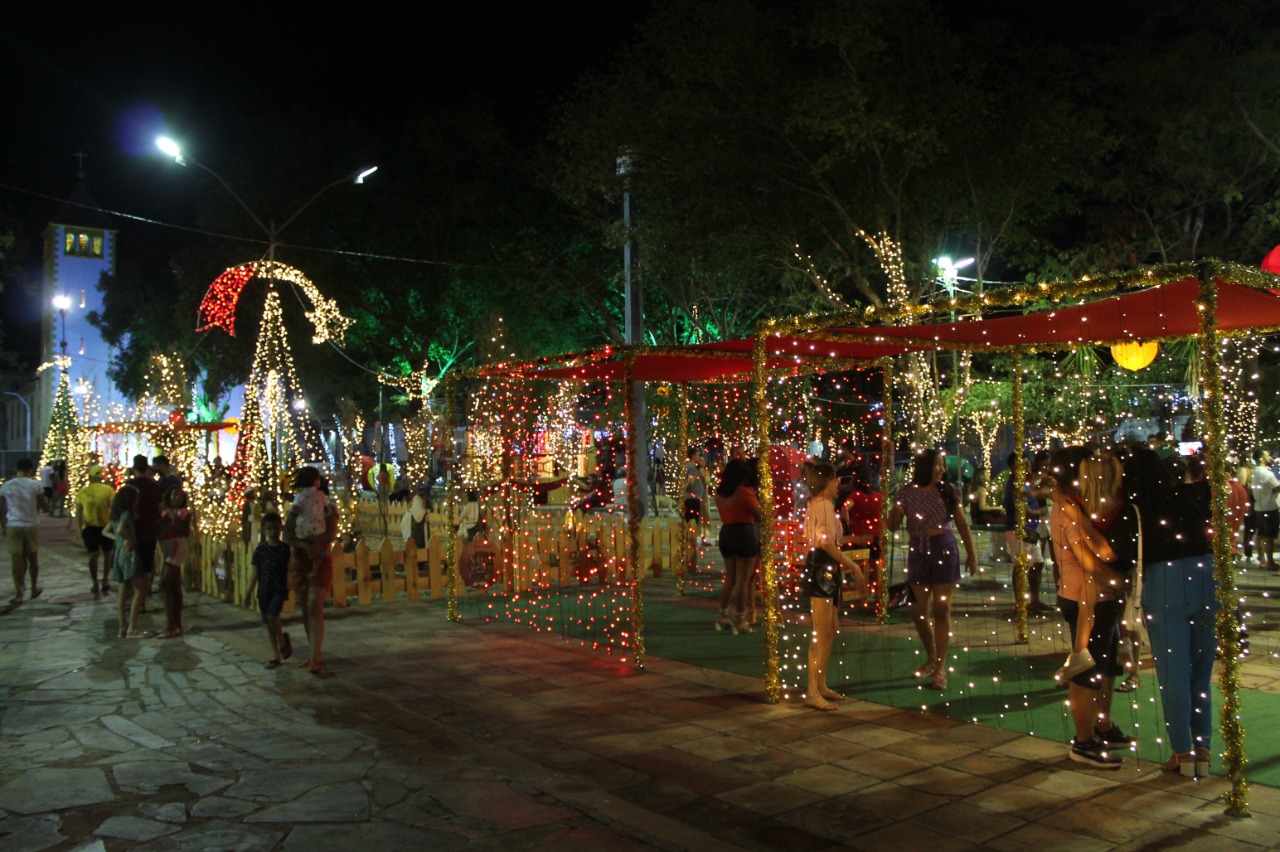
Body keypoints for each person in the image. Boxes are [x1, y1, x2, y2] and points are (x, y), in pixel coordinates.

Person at [1123, 445, 1217, 777]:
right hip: (1207, 574)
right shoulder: (1192, 496)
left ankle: (1183, 751)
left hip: (1164, 580)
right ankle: (1202, 748)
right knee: (1200, 670)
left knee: (1173, 673)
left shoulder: (1137, 508)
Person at [887, 449, 977, 691]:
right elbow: (892, 526)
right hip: (917, 550)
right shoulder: (906, 492)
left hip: (944, 549)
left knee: (942, 609)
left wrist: (972, 555)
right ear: (925, 467)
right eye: (937, 464)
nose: (941, 469)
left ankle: (940, 667)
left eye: (942, 465)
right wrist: (891, 511)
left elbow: (962, 524)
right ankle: (931, 656)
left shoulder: (949, 491)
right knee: (917, 611)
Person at [801, 460, 866, 711]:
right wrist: (853, 565)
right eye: (835, 479)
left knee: (829, 629)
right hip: (822, 566)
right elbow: (827, 543)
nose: (838, 483)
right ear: (826, 482)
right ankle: (812, 691)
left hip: (824, 566)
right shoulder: (823, 505)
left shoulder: (819, 504)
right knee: (821, 631)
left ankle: (820, 684)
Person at [284, 467, 339, 675]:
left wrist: (307, 541)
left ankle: (315, 655)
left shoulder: (328, 508)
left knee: (314, 606)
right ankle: (314, 652)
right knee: (306, 609)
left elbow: (330, 534)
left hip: (320, 562)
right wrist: (308, 546)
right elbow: (287, 535)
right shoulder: (297, 506)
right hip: (301, 560)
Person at [714, 459, 761, 634]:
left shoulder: (719, 493)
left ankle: (722, 616)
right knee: (743, 580)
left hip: (726, 533)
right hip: (744, 534)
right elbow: (759, 515)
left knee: (730, 579)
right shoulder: (745, 493)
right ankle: (740, 620)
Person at [1003, 452, 1048, 613]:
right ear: (1013, 467)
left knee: (1037, 563)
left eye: (1029, 463)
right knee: (1021, 566)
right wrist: (1041, 512)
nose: (1028, 467)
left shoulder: (1024, 482)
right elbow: (1023, 510)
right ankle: (1020, 603)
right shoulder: (1015, 485)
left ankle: (1034, 600)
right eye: (1024, 464)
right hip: (1018, 530)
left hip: (1030, 530)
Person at [247, 511, 293, 669]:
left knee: (273, 615)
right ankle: (275, 655)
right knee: (268, 624)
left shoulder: (285, 549)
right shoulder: (260, 550)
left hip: (279, 589)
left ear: (281, 528)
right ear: (264, 530)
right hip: (264, 590)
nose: (273, 532)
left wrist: (291, 585)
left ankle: (281, 640)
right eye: (269, 529)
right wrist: (249, 592)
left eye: (276, 528)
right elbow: (255, 574)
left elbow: (290, 569)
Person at [0, 458, 49, 603]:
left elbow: (1, 508)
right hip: (31, 524)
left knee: (17, 560)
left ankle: (19, 593)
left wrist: (3, 526)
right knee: (32, 558)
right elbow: (44, 506)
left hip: (14, 524)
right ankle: (33, 588)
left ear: (16, 469)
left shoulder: (7, 485)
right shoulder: (35, 485)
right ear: (30, 470)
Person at [106, 484, 146, 637]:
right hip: (129, 555)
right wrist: (128, 539)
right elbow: (120, 529)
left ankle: (122, 627)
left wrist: (118, 540)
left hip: (118, 554)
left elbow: (106, 531)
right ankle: (132, 628)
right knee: (139, 590)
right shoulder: (127, 514)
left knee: (122, 592)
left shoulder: (115, 515)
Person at [74, 465, 116, 595]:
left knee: (93, 555)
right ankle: (104, 580)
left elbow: (78, 512)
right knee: (107, 554)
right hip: (105, 527)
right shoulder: (109, 490)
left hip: (90, 527)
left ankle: (95, 582)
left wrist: (79, 531)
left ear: (90, 477)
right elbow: (113, 509)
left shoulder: (83, 492)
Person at [127, 454, 163, 602]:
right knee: (148, 563)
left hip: (135, 530)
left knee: (135, 565)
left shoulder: (130, 485)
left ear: (134, 468)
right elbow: (160, 507)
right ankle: (145, 591)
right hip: (150, 529)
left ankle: (137, 598)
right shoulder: (154, 485)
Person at [157, 487, 192, 638]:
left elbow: (185, 532)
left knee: (164, 583)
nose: (177, 497)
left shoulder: (184, 513)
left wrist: (174, 519)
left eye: (180, 495)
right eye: (174, 494)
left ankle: (170, 625)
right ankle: (177, 625)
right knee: (174, 585)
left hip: (177, 546)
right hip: (167, 547)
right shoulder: (165, 511)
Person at [1249, 448, 1279, 570]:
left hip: (1259, 507)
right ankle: (1270, 562)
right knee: (1269, 536)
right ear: (1261, 458)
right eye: (1267, 455)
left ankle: (1262, 559)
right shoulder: (1266, 473)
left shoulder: (1255, 472)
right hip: (1269, 507)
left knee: (1261, 533)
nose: (1269, 457)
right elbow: (1277, 487)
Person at [684, 448, 708, 545]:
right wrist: (685, 489)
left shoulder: (688, 466)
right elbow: (691, 481)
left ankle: (689, 540)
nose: (698, 457)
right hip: (692, 498)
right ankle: (691, 542)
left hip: (690, 497)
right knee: (693, 521)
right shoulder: (692, 467)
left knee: (689, 519)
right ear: (693, 456)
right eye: (697, 455)